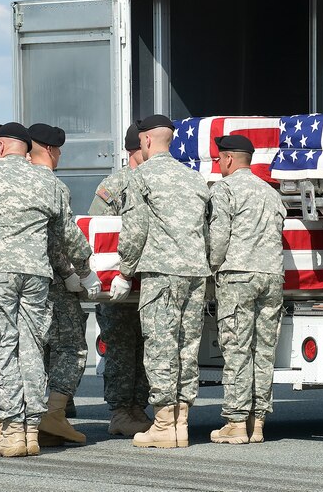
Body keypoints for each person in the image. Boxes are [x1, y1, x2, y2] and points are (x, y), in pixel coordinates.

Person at [0, 122, 99, 458]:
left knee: (0, 348)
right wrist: (84, 269)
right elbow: (68, 234)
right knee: (32, 348)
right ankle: (32, 430)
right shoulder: (47, 181)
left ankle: (10, 431)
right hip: (37, 274)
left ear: (1, 146)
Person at [109, 114, 211, 449]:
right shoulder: (195, 179)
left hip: (162, 272)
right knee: (186, 347)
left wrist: (124, 272)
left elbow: (135, 229)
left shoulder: (141, 176)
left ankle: (164, 423)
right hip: (196, 273)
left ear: (147, 141)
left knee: (161, 346)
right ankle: (181, 422)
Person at [207, 135, 287, 445]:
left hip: (238, 276)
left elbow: (218, 240)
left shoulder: (225, 190)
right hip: (271, 276)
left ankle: (236, 422)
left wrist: (210, 270)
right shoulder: (270, 192)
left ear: (227, 159)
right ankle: (258, 422)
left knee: (237, 348)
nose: (218, 165)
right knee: (264, 350)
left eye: (219, 160)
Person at [28, 122, 100, 446]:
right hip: (52, 282)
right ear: (51, 150)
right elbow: (60, 236)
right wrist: (80, 273)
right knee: (72, 346)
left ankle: (28, 419)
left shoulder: (15, 180)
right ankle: (53, 415)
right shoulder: (52, 185)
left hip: (22, 282)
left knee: (34, 347)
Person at [88, 123, 152, 436]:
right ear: (135, 150)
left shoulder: (149, 181)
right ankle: (121, 411)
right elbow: (98, 234)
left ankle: (137, 407)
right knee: (123, 349)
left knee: (143, 349)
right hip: (122, 285)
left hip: (144, 282)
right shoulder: (115, 185)